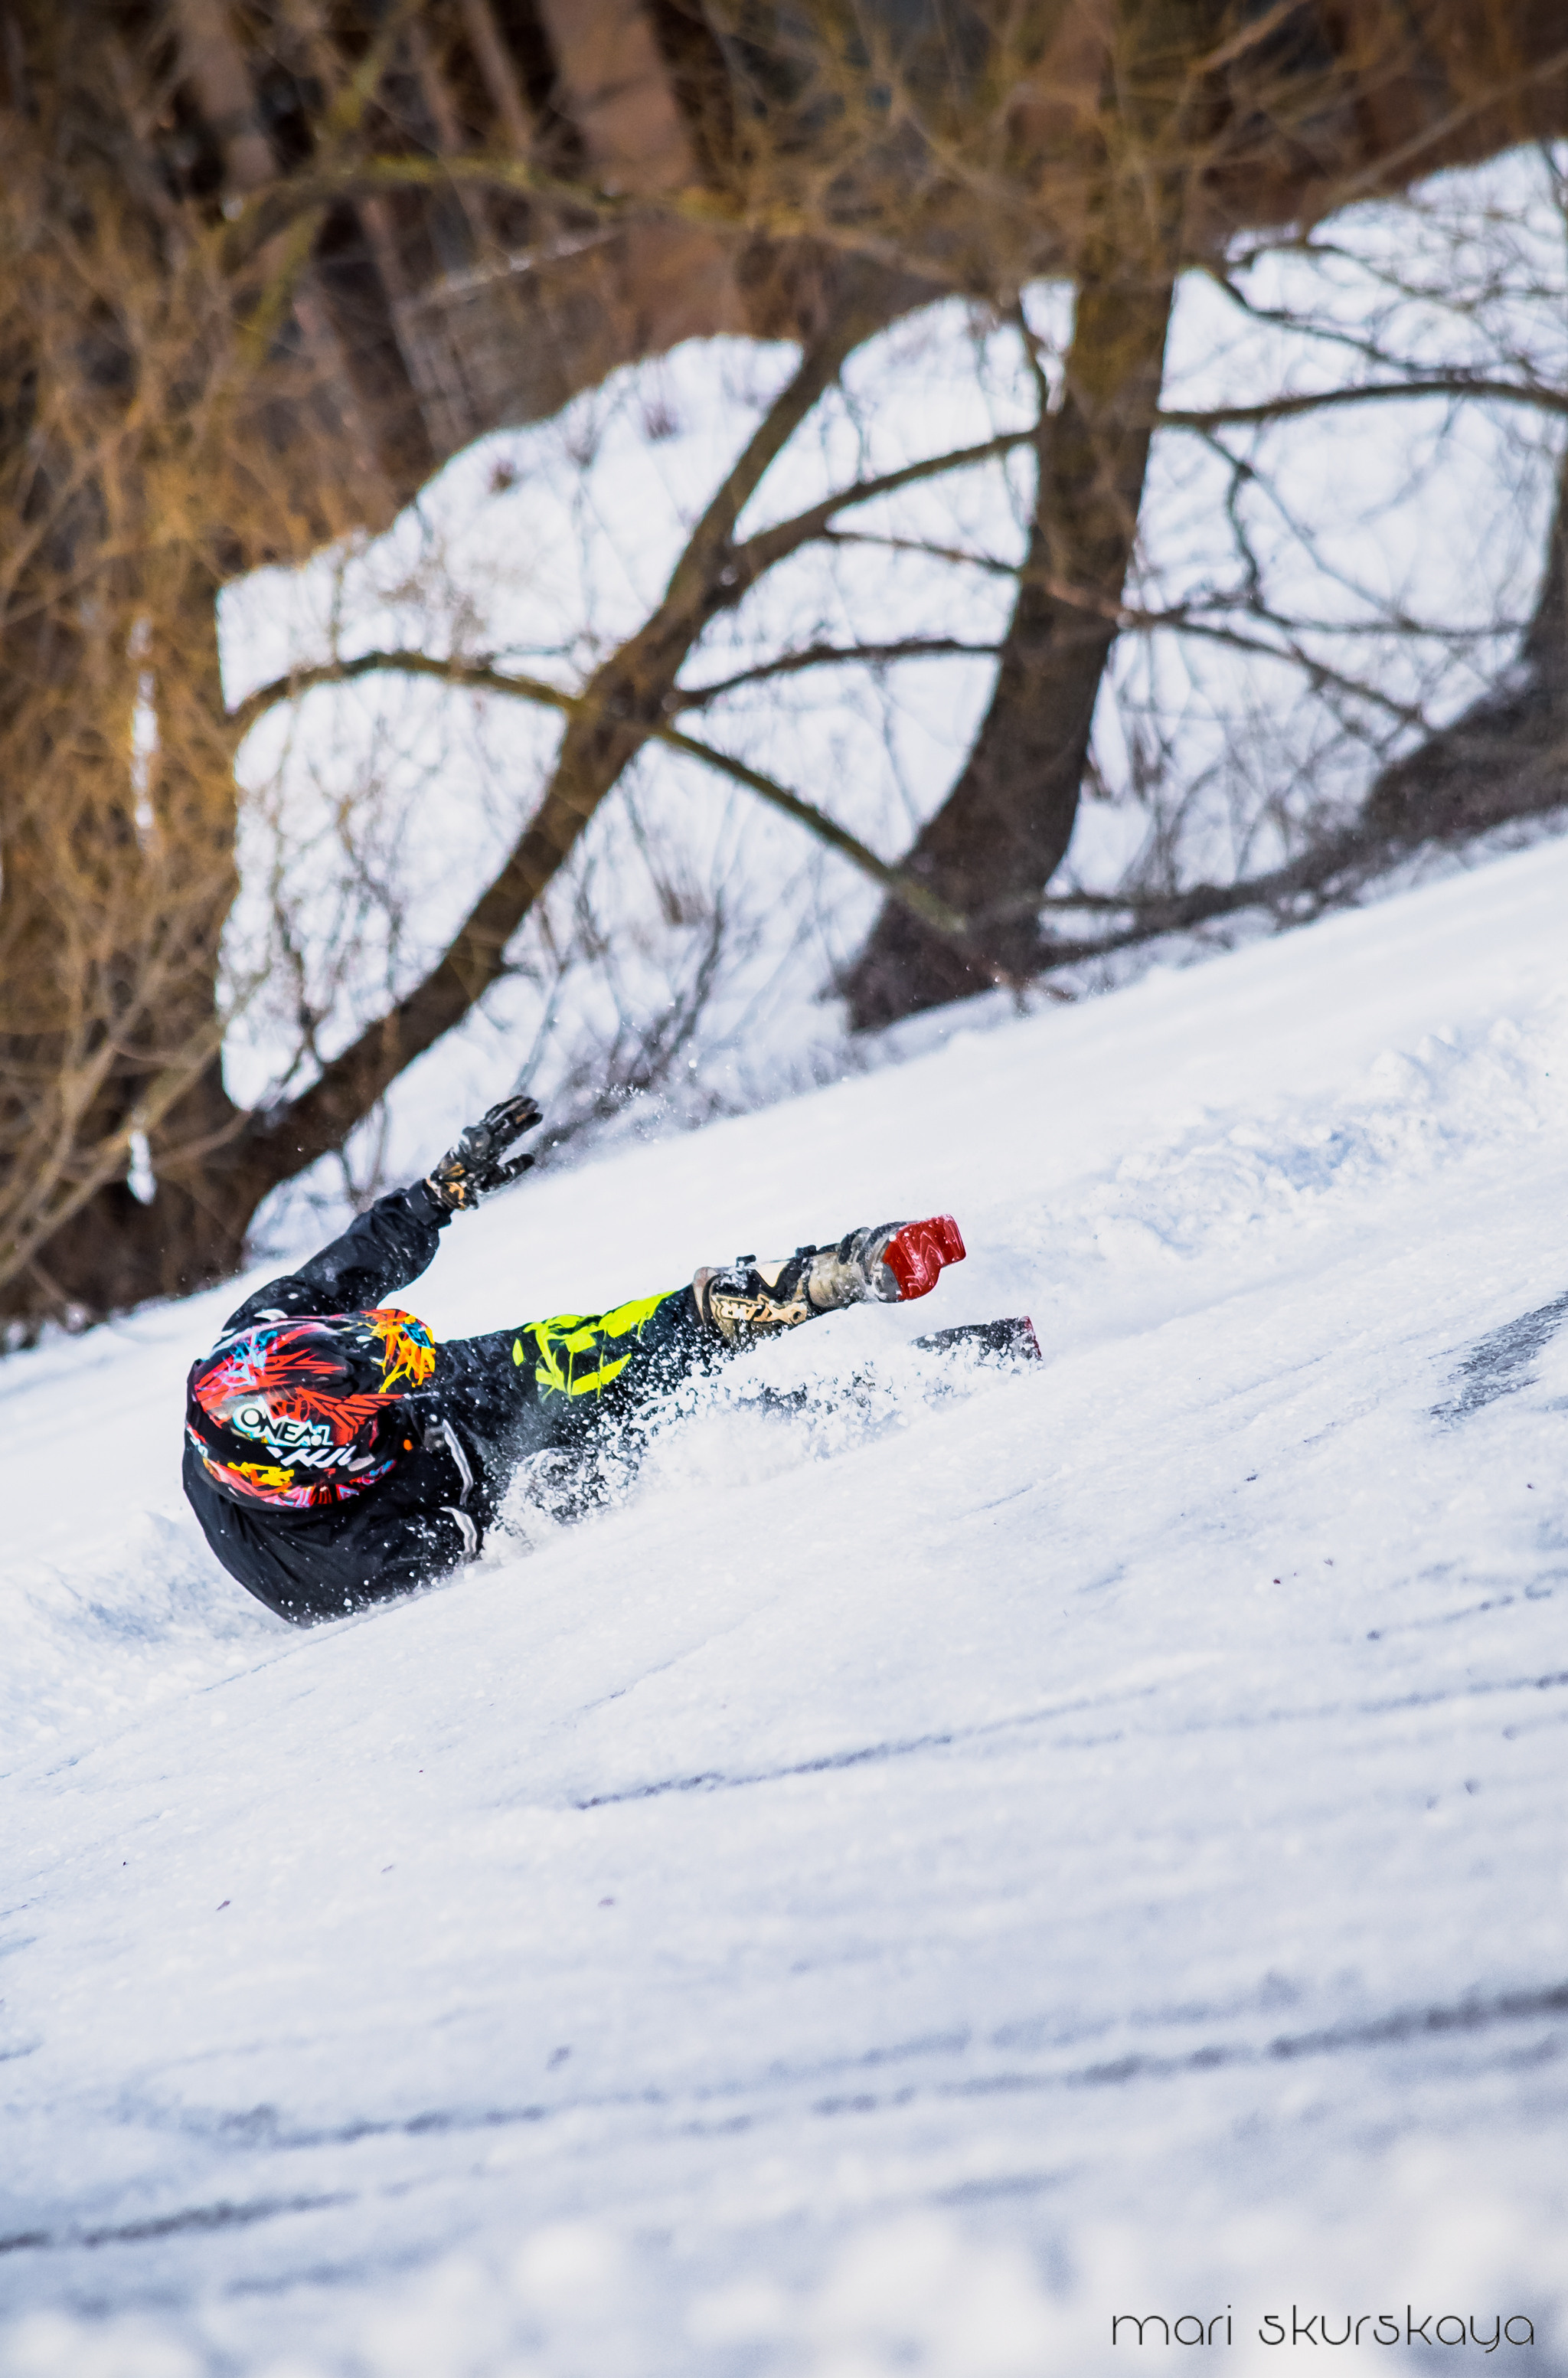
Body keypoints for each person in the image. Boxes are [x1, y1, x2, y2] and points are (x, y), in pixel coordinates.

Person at [184, 1096, 967, 1624]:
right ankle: (854, 1404)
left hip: (446, 1397)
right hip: (480, 1488)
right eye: (367, 1406)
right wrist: (549, 1499)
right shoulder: (336, 1568)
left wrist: (434, 1196)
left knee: (607, 1348)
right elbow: (489, 1544)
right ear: (324, 1464)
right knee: (633, 1455)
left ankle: (835, 1271)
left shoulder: (263, 1339)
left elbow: (347, 1267)